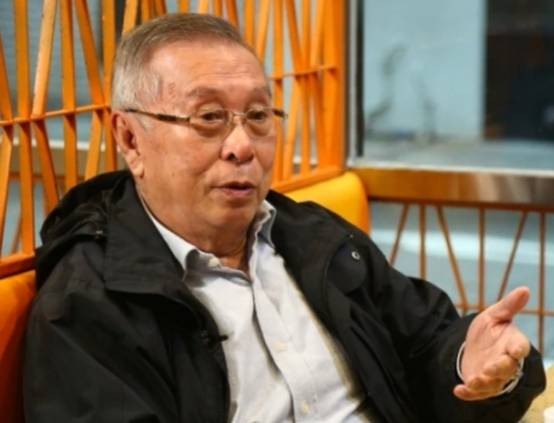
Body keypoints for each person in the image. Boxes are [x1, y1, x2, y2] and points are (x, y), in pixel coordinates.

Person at [23, 13, 545, 423]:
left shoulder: (315, 239)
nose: (242, 146)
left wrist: (474, 363)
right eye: (209, 118)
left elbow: (427, 342)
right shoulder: (89, 304)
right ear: (131, 140)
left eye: (257, 116)